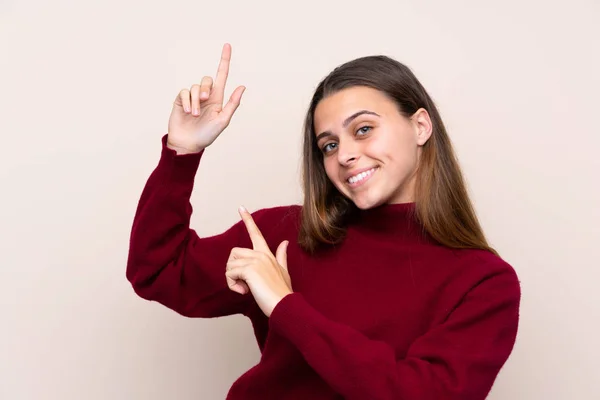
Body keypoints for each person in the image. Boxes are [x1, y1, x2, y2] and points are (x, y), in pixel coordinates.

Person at [126, 43, 521, 399]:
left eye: (363, 129)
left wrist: (284, 305)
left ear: (420, 126)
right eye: (329, 145)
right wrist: (182, 151)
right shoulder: (286, 236)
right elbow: (157, 269)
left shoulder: (484, 282)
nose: (345, 155)